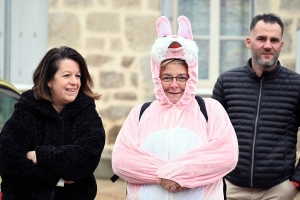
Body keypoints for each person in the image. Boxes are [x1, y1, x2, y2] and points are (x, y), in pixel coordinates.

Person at [112, 16, 238, 200]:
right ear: (157, 76)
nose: (174, 85)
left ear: (191, 76)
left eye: (181, 77)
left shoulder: (211, 110)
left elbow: (225, 155)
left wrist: (180, 175)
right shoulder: (140, 113)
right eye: (167, 77)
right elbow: (122, 161)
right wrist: (165, 176)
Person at [211, 13, 300, 200]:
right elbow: (209, 134)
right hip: (230, 188)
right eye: (261, 38)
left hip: (277, 191)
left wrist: (295, 183)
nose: (268, 45)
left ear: (281, 45)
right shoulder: (227, 82)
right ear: (249, 42)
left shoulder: (296, 85)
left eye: (274, 40)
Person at [0, 46, 106, 200]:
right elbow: (9, 164)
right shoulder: (26, 110)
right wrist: (59, 180)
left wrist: (39, 156)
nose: (74, 82)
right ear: (49, 80)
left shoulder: (87, 113)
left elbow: (85, 159)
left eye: (78, 76)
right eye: (66, 75)